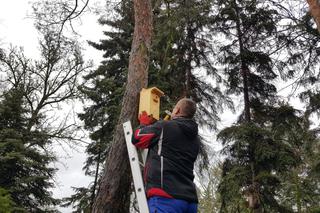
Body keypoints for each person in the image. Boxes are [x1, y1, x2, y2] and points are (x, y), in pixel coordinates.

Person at [132, 98, 200, 213]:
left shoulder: (165, 127)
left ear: (177, 110)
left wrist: (143, 124)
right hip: (190, 202)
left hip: (166, 198)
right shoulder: (195, 139)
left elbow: (137, 138)